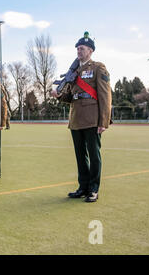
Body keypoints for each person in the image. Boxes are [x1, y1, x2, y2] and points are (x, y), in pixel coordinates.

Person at [51, 32, 112, 203]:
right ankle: (83, 187)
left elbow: (105, 95)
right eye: (77, 48)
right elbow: (70, 96)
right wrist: (58, 95)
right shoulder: (74, 71)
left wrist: (104, 121)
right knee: (80, 155)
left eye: (82, 48)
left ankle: (93, 189)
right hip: (76, 118)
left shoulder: (98, 68)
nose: (79, 50)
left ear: (90, 50)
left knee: (94, 155)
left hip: (92, 118)